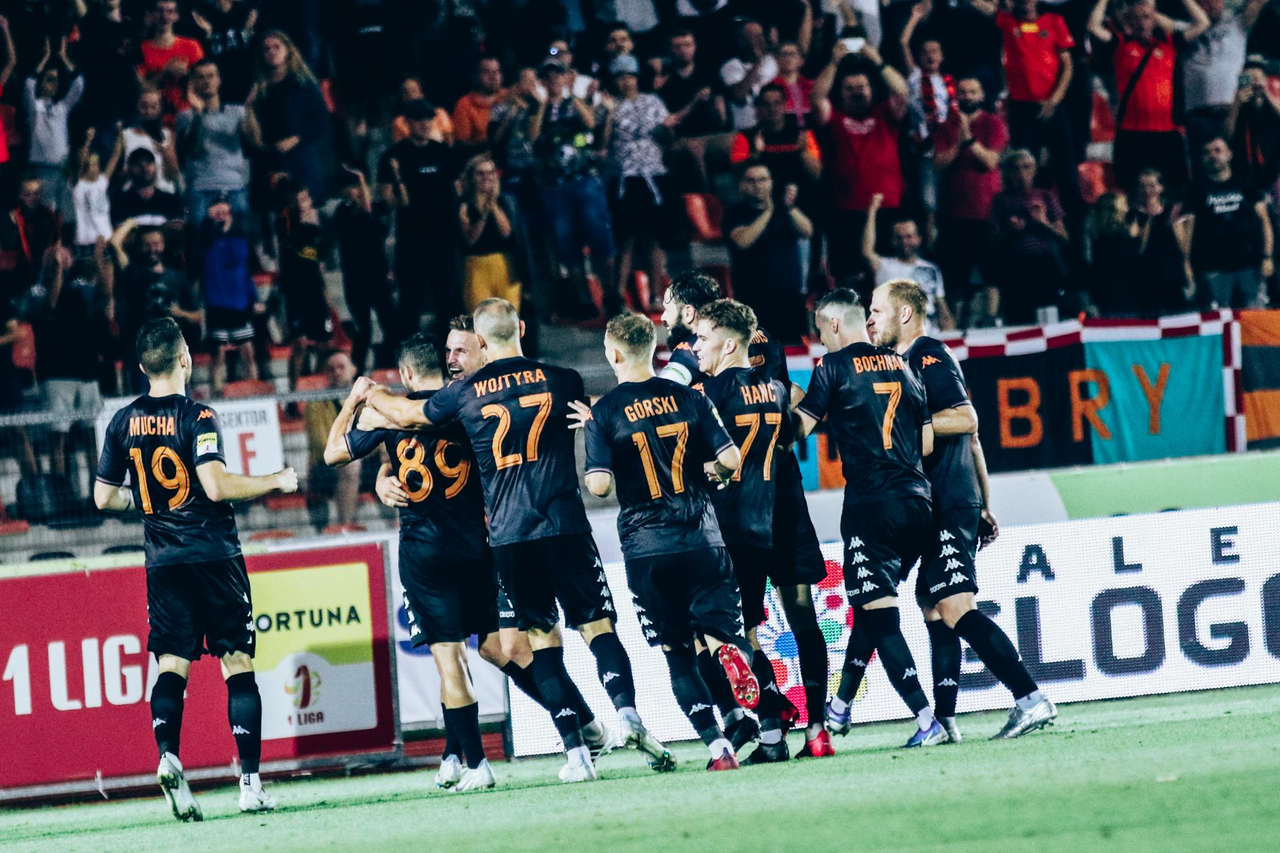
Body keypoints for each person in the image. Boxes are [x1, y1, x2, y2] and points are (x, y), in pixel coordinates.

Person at [358, 298, 670, 783]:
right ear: (522, 327)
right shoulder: (565, 380)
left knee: (540, 643)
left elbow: (409, 415)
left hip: (509, 536)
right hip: (566, 524)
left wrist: (372, 395)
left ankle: (577, 756)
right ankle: (627, 713)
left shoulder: (465, 396)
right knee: (598, 629)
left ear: (481, 342)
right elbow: (598, 418)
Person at [93, 317, 298, 820]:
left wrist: (145, 503)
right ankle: (250, 785)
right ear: (185, 360)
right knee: (237, 662)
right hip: (213, 555)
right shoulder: (198, 415)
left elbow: (103, 498)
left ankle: (168, 756)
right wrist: (276, 479)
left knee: (171, 665)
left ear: (142, 367)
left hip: (163, 562)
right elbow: (216, 485)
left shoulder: (121, 422)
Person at [866, 280, 1057, 741]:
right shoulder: (901, 364)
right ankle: (946, 721)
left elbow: (967, 419)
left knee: (954, 606)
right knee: (931, 603)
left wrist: (912, 429)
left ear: (904, 315)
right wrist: (985, 505)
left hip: (948, 499)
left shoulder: (927, 355)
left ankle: (1030, 698)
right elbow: (974, 443)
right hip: (947, 501)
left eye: (876, 311)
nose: (869, 320)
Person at [576, 311, 759, 773]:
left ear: (613, 354)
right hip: (703, 538)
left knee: (677, 653)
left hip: (648, 548)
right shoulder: (691, 397)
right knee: (718, 633)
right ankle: (728, 650)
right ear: (653, 349)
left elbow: (599, 485)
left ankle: (718, 749)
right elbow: (731, 459)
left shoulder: (604, 411)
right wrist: (710, 470)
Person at [657, 271, 830, 760]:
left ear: (693, 316)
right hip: (783, 497)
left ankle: (764, 723)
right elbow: (792, 420)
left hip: (731, 510)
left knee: (724, 629)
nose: (665, 317)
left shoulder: (698, 371)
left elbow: (675, 423)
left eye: (669, 306)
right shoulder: (767, 351)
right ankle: (817, 730)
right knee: (801, 613)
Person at [323, 338, 496, 790]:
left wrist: (354, 400)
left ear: (405, 374)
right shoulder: (466, 404)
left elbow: (332, 453)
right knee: (481, 652)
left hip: (424, 550)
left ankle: (478, 764)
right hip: (476, 544)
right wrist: (384, 475)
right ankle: (455, 754)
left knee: (449, 660)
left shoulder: (389, 413)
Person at [793, 288, 943, 748]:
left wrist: (782, 396)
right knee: (869, 605)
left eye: (820, 330)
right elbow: (927, 442)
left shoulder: (832, 367)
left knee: (880, 618)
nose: (820, 339)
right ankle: (839, 708)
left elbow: (798, 429)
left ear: (835, 324)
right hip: (919, 503)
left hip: (872, 507)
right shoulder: (904, 365)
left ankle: (927, 720)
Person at [811, 40, 911, 283]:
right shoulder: (834, 117)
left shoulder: (885, 114)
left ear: (872, 89)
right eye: (850, 88)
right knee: (849, 278)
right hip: (845, 210)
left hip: (887, 207)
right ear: (841, 93)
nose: (857, 92)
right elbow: (816, 98)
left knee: (888, 277)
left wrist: (877, 60)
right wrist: (834, 62)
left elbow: (902, 91)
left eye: (862, 86)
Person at [970, 0, 1080, 220]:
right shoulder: (1008, 21)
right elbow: (983, 6)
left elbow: (1067, 64)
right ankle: (1024, 221)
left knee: (1066, 169)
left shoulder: (1054, 21)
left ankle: (1072, 225)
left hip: (1052, 105)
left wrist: (1054, 100)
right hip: (1022, 107)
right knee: (1023, 168)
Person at [529, 60, 621, 319]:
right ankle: (584, 299)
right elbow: (533, 136)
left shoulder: (574, 102)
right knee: (568, 245)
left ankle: (611, 294)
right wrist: (544, 103)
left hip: (584, 180)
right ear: (543, 81)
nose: (554, 80)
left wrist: (571, 95)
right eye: (548, 77)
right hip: (553, 187)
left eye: (558, 75)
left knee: (600, 239)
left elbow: (590, 123)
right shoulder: (536, 108)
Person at [1087, 0, 1210, 193]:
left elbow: (1202, 23)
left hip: (1166, 133)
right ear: (1129, 23)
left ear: (1155, 20)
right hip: (1131, 133)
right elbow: (1093, 26)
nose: (1142, 23)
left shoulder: (1169, 44)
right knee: (1129, 189)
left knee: (1176, 190)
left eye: (1146, 17)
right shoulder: (1120, 44)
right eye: (1136, 18)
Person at [378, 98, 457, 341]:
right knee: (411, 296)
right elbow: (387, 199)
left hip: (442, 235)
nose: (424, 124)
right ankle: (408, 350)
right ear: (408, 123)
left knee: (447, 296)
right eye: (419, 119)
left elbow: (456, 189)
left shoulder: (442, 152)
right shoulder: (394, 156)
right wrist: (399, 182)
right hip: (412, 237)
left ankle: (450, 350)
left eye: (428, 119)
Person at [932, 75, 1007, 328]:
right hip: (954, 212)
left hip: (988, 212)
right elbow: (938, 164)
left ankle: (990, 319)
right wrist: (958, 140)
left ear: (981, 95)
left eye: (972, 91)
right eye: (963, 92)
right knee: (954, 276)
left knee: (992, 271)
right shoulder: (945, 126)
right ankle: (953, 325)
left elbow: (990, 161)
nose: (967, 96)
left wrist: (969, 140)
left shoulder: (993, 123)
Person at [602, 53, 674, 310]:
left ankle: (656, 296)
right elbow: (603, 143)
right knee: (626, 239)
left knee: (655, 238)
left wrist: (667, 129)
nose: (626, 81)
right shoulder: (608, 104)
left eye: (630, 76)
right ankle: (618, 297)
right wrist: (608, 115)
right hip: (623, 177)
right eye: (620, 77)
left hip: (653, 175)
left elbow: (667, 138)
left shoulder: (653, 101)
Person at [107, 220, 203, 392]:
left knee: (178, 403)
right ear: (140, 247)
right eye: (147, 244)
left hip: (173, 356)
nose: (152, 249)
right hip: (143, 356)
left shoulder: (177, 278)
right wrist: (133, 221)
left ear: (163, 245)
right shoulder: (134, 273)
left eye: (156, 243)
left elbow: (199, 316)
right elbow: (114, 244)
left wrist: (179, 313)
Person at [724, 160, 812, 344]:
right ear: (741, 184)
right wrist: (767, 212)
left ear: (771, 182)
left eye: (763, 179)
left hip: (789, 298)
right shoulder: (734, 213)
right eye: (751, 181)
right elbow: (743, 241)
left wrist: (790, 208)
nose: (758, 185)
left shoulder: (785, 210)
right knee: (758, 353)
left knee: (795, 352)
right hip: (753, 300)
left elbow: (807, 231)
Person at [1183, 136, 1273, 309]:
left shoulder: (1246, 186)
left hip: (1250, 265)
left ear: (1229, 154)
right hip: (1214, 270)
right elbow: (1187, 230)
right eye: (1207, 152)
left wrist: (1267, 257)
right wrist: (1186, 265)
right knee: (1218, 319)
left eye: (1218, 150)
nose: (1213, 156)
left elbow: (1265, 222)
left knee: (1255, 317)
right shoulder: (1195, 191)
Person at [989, 149, 1070, 324]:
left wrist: (1043, 223)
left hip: (1043, 263)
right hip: (1014, 265)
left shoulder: (1046, 196)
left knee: (1048, 315)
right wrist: (1011, 231)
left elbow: (1064, 236)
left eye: (1026, 167)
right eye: (1016, 168)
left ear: (1034, 170)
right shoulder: (1000, 200)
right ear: (1008, 172)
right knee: (1019, 317)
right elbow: (993, 241)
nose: (1021, 173)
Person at [251, 30, 332, 204]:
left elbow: (321, 121)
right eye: (266, 49)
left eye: (276, 47)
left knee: (305, 207)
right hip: (270, 159)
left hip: (299, 155)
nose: (272, 52)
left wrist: (296, 138)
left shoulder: (302, 83)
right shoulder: (258, 87)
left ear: (288, 50)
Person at [1180, 0, 1273, 152]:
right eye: (1206, 2)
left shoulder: (1236, 25)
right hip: (1198, 116)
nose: (1213, 5)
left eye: (1217, 1)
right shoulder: (1185, 30)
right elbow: (1149, 17)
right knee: (1200, 163)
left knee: (1238, 160)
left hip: (1232, 110)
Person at [176, 58, 259, 224]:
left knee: (240, 236)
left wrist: (249, 110)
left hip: (235, 186)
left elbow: (255, 141)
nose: (206, 81)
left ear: (219, 80)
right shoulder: (185, 117)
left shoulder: (237, 112)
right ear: (193, 83)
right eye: (200, 77)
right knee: (199, 236)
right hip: (200, 188)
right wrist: (199, 115)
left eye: (210, 76)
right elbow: (193, 150)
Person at [863, 193, 953, 332]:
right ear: (892, 241)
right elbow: (867, 251)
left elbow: (942, 308)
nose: (904, 242)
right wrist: (872, 210)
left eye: (909, 237)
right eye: (899, 238)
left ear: (918, 239)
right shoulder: (884, 266)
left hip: (929, 334)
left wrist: (951, 334)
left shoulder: (931, 269)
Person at [333, 167, 393, 372]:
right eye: (353, 186)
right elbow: (364, 212)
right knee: (364, 331)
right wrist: (360, 178)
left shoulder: (377, 207)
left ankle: (390, 366)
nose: (357, 190)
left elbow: (383, 208)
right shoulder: (342, 212)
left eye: (359, 186)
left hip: (378, 278)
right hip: (356, 281)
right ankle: (357, 372)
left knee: (390, 325)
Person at [657, 29, 730, 189]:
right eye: (678, 46)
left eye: (687, 45)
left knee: (741, 142)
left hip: (712, 135)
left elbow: (722, 118)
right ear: (670, 50)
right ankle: (707, 195)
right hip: (682, 138)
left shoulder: (708, 74)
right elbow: (669, 121)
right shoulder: (666, 82)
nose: (683, 50)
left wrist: (716, 109)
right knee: (694, 147)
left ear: (695, 47)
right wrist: (695, 101)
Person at [200, 196, 259, 391]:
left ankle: (254, 393)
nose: (221, 217)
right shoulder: (206, 241)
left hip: (240, 305)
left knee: (248, 352)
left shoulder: (241, 241)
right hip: (216, 305)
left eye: (225, 213)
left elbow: (246, 273)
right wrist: (209, 220)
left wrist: (254, 299)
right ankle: (217, 395)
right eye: (217, 213)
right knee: (218, 354)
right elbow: (200, 232)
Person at [279, 185, 333, 388]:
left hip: (315, 291)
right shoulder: (285, 224)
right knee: (300, 344)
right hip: (295, 294)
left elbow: (322, 258)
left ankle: (317, 389)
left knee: (324, 344)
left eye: (304, 199)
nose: (301, 204)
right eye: (297, 200)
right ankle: (293, 392)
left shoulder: (319, 227)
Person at [24, 36, 84, 214]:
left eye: (56, 80)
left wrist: (64, 57)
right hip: (42, 167)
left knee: (65, 214)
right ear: (41, 82)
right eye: (49, 79)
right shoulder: (34, 107)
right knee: (46, 211)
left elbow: (79, 85)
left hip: (63, 167)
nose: (54, 84)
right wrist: (44, 59)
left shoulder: (61, 107)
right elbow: (29, 84)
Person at [458, 154, 526, 312]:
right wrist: (483, 213)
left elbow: (507, 233)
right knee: (483, 318)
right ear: (472, 177)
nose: (486, 178)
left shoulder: (506, 201)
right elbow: (471, 239)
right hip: (476, 266)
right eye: (480, 173)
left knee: (508, 318)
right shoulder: (464, 205)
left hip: (504, 264)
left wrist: (493, 204)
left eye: (490, 173)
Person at [303, 351, 360, 531]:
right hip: (325, 464)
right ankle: (346, 529)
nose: (336, 372)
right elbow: (321, 443)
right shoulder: (315, 403)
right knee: (350, 466)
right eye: (331, 369)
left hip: (365, 459)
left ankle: (399, 531)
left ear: (353, 370)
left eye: (341, 367)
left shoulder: (368, 399)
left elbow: (381, 435)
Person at [1131, 168, 1194, 315]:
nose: (1147, 190)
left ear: (1161, 187)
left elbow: (1184, 247)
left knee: (1177, 316)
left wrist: (1187, 270)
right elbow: (1137, 248)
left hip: (1172, 273)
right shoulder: (1134, 214)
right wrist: (1148, 219)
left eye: (1152, 185)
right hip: (1147, 275)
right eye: (1143, 186)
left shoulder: (1173, 211)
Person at [138, 0, 204, 116]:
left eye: (170, 11)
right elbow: (140, 87)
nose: (164, 16)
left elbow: (204, 77)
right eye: (160, 11)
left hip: (188, 111)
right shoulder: (142, 49)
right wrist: (165, 73)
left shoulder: (191, 46)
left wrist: (187, 74)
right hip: (153, 114)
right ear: (152, 15)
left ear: (176, 16)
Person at [1225, 60, 1280, 193]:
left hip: (1273, 165)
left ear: (1265, 80)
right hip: (1244, 169)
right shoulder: (1238, 105)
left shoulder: (1272, 104)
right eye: (1249, 79)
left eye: (1256, 79)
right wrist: (1237, 103)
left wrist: (1266, 93)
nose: (1253, 83)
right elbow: (1226, 135)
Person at [1085, 192, 1142, 316]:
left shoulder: (1098, 236)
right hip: (1122, 293)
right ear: (1115, 209)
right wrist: (1134, 239)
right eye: (1124, 204)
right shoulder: (1116, 237)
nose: (1127, 208)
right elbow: (1131, 261)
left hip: (1106, 293)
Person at [71, 129, 124, 255]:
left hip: (106, 238)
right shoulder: (78, 184)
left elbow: (115, 156)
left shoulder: (102, 181)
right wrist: (88, 141)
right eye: (90, 165)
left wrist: (120, 134)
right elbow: (81, 160)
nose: (93, 168)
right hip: (86, 241)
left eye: (95, 164)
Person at [721, 18, 779, 132]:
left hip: (771, 128)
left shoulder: (772, 61)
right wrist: (758, 61)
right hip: (746, 130)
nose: (761, 40)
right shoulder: (730, 66)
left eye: (761, 35)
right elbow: (739, 94)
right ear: (741, 41)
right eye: (755, 37)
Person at [122, 88, 182, 195]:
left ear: (161, 108)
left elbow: (173, 174)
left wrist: (165, 153)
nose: (149, 111)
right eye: (144, 106)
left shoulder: (168, 135)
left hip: (163, 193)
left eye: (154, 107)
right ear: (137, 106)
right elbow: (117, 175)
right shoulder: (125, 135)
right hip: (134, 195)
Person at [111, 148, 185, 228]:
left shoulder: (170, 201)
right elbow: (118, 231)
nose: (144, 168)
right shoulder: (120, 203)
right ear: (129, 169)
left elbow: (177, 230)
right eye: (138, 164)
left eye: (148, 163)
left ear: (156, 167)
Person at [454, 57, 505, 157]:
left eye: (496, 71)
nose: (493, 77)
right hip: (481, 157)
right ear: (476, 77)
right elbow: (462, 145)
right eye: (487, 72)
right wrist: (494, 142)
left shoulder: (510, 97)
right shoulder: (465, 104)